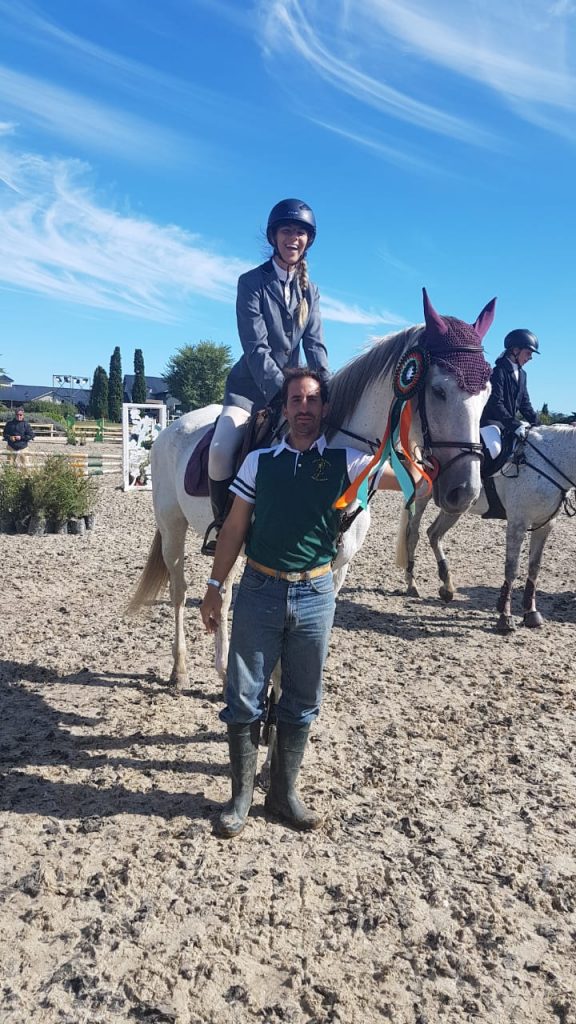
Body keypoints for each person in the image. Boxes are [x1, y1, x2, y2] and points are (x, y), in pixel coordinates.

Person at [200, 368, 401, 839]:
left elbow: (408, 481)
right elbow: (234, 529)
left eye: (312, 399)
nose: (304, 408)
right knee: (243, 696)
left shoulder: (347, 461)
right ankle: (240, 797)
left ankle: (283, 794)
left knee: (303, 698)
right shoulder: (259, 462)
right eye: (296, 400)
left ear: (324, 408)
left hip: (315, 594)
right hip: (259, 589)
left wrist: (418, 445)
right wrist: (214, 586)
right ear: (285, 408)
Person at [204, 198, 330, 554]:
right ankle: (221, 526)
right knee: (220, 451)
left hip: (293, 393)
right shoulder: (251, 282)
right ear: (274, 236)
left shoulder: (311, 291)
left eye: (301, 232)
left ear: (308, 240)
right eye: (287, 230)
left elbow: (315, 346)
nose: (294, 238)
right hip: (249, 390)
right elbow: (256, 347)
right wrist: (287, 391)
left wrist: (326, 390)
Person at [480, 329, 540, 460]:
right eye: (528, 353)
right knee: (495, 449)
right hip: (491, 423)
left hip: (508, 423)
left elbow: (525, 404)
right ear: (515, 350)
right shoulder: (498, 372)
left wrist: (539, 425)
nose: (530, 358)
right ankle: (479, 473)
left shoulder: (522, 374)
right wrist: (514, 425)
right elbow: (496, 403)